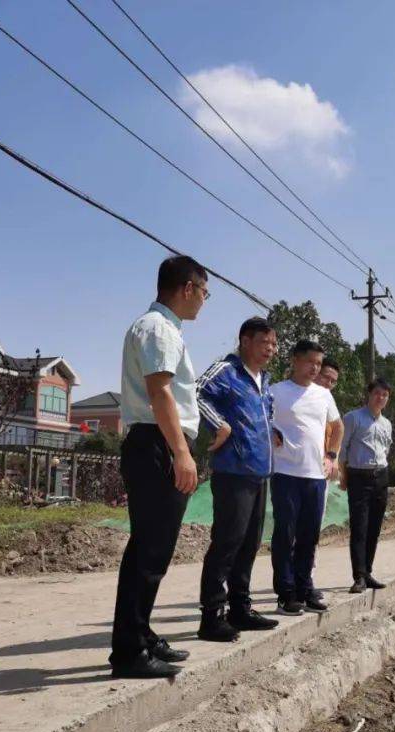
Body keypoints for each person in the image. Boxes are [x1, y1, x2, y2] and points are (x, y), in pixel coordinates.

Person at [110, 255, 209, 679]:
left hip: (159, 441)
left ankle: (142, 634)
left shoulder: (163, 329)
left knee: (154, 548)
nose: (204, 301)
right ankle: (129, 652)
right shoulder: (158, 329)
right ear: (187, 288)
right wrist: (181, 453)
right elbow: (161, 393)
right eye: (204, 292)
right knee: (148, 551)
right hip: (158, 443)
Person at [195, 317, 283, 642]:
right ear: (245, 340)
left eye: (274, 344)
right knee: (227, 543)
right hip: (233, 472)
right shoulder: (226, 370)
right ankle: (211, 616)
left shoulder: (263, 380)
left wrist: (272, 431)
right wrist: (220, 424)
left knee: (249, 544)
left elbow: (267, 412)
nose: (271, 350)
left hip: (260, 473)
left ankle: (240, 609)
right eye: (265, 342)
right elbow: (196, 392)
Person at [269, 340, 344, 614]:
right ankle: (286, 592)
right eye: (310, 362)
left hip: (315, 476)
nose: (315, 368)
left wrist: (331, 456)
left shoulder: (323, 395)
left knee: (309, 535)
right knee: (285, 533)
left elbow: (337, 427)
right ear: (294, 360)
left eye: (318, 363)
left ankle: (304, 586)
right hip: (285, 473)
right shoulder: (275, 392)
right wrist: (269, 432)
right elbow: (259, 420)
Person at [340, 377, 393, 593]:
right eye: (377, 394)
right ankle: (359, 576)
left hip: (381, 477)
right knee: (359, 527)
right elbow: (343, 448)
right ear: (369, 395)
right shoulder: (353, 418)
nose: (380, 398)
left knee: (374, 528)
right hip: (359, 476)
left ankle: (368, 572)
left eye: (384, 395)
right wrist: (343, 477)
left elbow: (386, 449)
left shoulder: (387, 424)